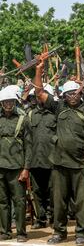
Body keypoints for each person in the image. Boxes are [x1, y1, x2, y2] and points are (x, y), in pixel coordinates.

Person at [33, 63, 84, 246]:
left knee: (82, 201)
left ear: (81, 94)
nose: (74, 96)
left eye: (77, 93)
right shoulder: (58, 108)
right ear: (64, 95)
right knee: (58, 201)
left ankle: (81, 233)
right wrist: (39, 70)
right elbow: (39, 92)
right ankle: (59, 232)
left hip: (81, 164)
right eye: (70, 93)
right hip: (59, 163)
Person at [0, 89, 31, 242]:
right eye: (5, 102)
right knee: (2, 201)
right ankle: (4, 231)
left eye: (11, 101)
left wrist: (26, 168)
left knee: (19, 201)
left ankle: (21, 233)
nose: (8, 104)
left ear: (15, 102)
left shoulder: (22, 119)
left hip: (17, 167)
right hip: (0, 167)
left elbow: (29, 146)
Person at [27, 85, 56, 229]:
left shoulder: (55, 114)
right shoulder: (31, 115)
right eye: (36, 97)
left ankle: (53, 216)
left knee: (52, 190)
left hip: (51, 160)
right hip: (35, 160)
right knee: (37, 191)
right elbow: (27, 138)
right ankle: (41, 217)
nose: (39, 99)